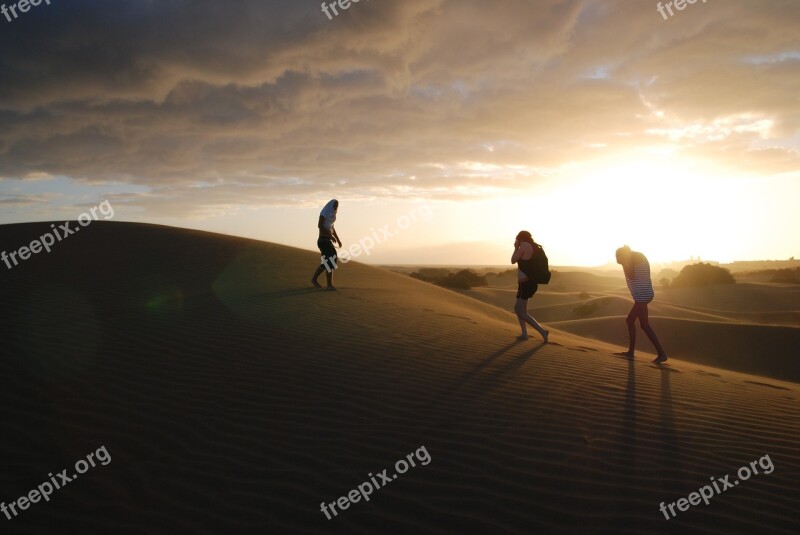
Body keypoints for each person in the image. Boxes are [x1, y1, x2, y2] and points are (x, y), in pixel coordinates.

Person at [615, 245, 668, 363]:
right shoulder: (635, 257)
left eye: (618, 256)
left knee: (644, 325)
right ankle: (631, 351)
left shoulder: (631, 260)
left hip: (642, 296)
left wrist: (624, 263)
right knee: (630, 320)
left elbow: (632, 275)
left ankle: (661, 353)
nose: (616, 260)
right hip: (642, 295)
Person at [511, 231, 549, 342]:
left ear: (519, 238)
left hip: (526, 283)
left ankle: (542, 331)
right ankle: (524, 333)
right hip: (526, 283)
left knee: (520, 310)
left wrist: (516, 247)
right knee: (520, 310)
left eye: (516, 238)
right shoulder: (532, 246)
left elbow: (513, 260)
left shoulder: (523, 246)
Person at [311, 199, 342, 290]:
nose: (335, 207)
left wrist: (337, 239)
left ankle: (315, 279)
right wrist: (330, 236)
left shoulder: (331, 216)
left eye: (337, 206)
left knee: (327, 262)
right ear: (330, 205)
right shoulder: (324, 212)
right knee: (330, 260)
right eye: (334, 205)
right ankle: (329, 285)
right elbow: (320, 225)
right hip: (323, 240)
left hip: (327, 240)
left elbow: (332, 228)